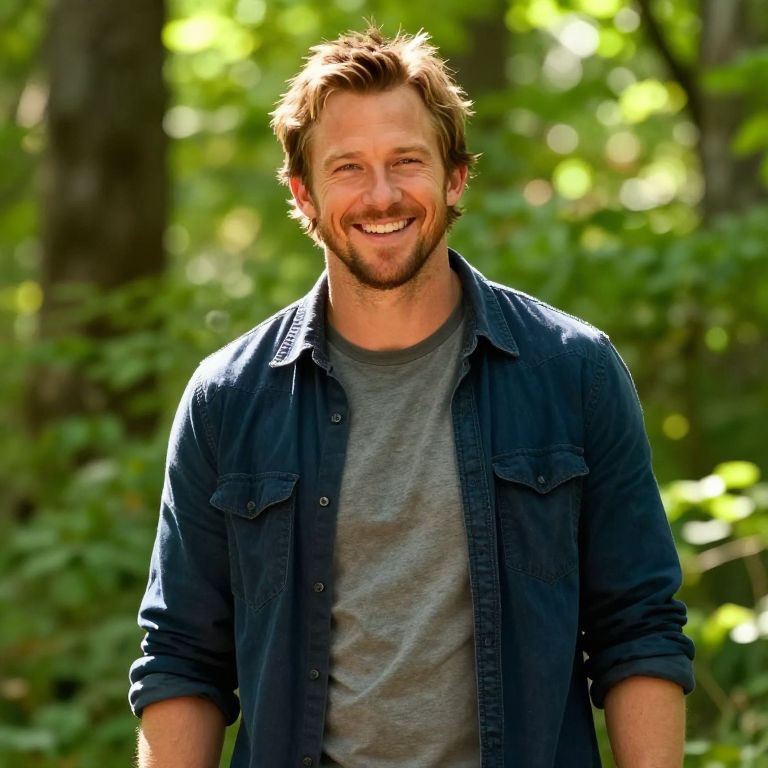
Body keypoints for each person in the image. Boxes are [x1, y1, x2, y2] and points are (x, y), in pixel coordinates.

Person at [129, 25, 695, 768]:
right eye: (349, 168)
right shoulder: (228, 400)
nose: (383, 194)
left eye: (406, 162)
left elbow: (638, 629)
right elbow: (182, 659)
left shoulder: (574, 373)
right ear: (304, 193)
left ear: (455, 176)